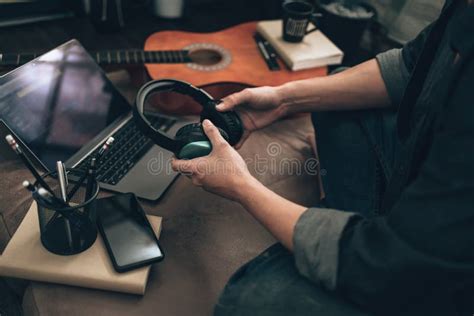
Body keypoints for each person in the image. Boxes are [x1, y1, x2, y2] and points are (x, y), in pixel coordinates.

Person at [171, 0, 474, 315]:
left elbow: (394, 261)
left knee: (246, 304)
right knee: (338, 97)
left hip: (424, 270)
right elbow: (411, 66)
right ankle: (345, 235)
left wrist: (240, 185)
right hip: (429, 189)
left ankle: (347, 243)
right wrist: (284, 98)